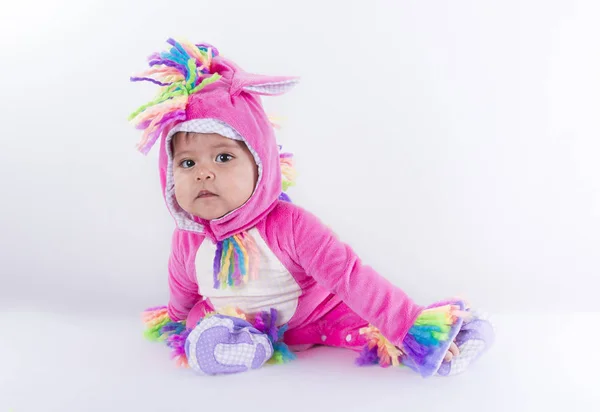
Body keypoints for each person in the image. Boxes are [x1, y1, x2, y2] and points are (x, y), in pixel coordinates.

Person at [132, 38, 494, 377]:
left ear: (261, 162)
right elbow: (183, 285)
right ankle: (244, 344)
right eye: (187, 164)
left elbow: (351, 277)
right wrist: (176, 319)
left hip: (316, 315)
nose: (204, 174)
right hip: (236, 317)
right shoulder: (187, 238)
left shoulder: (290, 225)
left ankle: (448, 334)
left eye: (223, 157)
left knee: (369, 324)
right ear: (168, 173)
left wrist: (407, 325)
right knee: (200, 321)